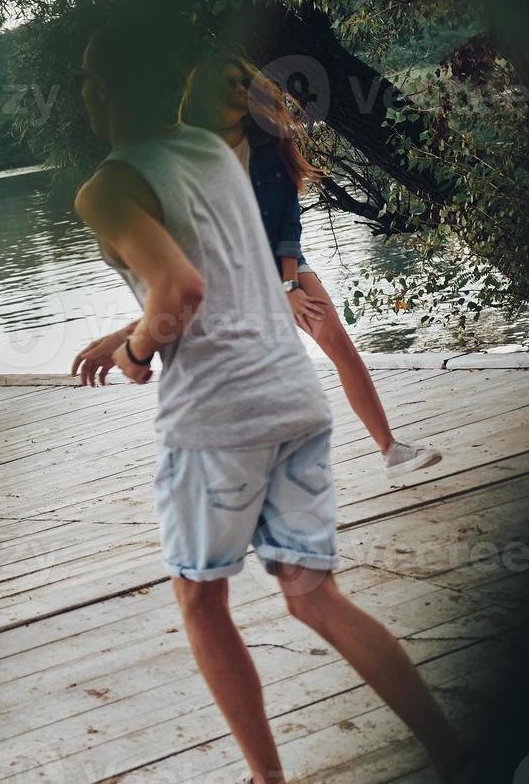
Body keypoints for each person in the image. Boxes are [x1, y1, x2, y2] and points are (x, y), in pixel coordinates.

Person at [70, 24, 467, 784]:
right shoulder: (217, 155)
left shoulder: (105, 188)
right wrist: (134, 334)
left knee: (199, 597)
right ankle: (459, 763)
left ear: (103, 92)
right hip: (293, 396)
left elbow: (177, 290)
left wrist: (138, 350)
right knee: (314, 593)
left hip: (216, 417)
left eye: (86, 80)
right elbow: (213, 284)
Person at [182, 54, 441, 481]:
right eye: (225, 85)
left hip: (281, 263)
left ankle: (391, 450)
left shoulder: (268, 144)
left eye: (240, 82)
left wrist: (288, 286)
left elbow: (288, 220)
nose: (237, 90)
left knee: (336, 338)